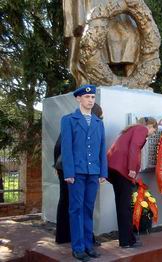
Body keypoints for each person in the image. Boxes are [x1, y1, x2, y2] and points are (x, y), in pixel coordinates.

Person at [61, 84, 107, 261]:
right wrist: (69, 172)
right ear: (78, 99)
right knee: (76, 210)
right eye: (87, 97)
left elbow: (102, 148)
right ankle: (78, 247)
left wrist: (103, 172)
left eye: (93, 97)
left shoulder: (98, 122)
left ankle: (88, 245)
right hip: (77, 173)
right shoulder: (69, 120)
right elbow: (66, 148)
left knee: (88, 209)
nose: (90, 100)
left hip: (93, 172)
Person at [54, 103, 103, 244]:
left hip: (68, 169)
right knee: (74, 205)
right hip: (71, 170)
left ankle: (68, 237)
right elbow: (61, 146)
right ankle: (69, 238)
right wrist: (60, 168)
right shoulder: (73, 123)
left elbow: (58, 147)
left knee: (73, 204)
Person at [107, 117, 158, 248]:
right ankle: (127, 241)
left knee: (121, 205)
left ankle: (126, 239)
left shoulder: (131, 129)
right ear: (150, 125)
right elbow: (134, 147)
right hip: (122, 170)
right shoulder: (141, 129)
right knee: (125, 206)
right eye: (154, 130)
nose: (153, 133)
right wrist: (131, 168)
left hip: (113, 170)